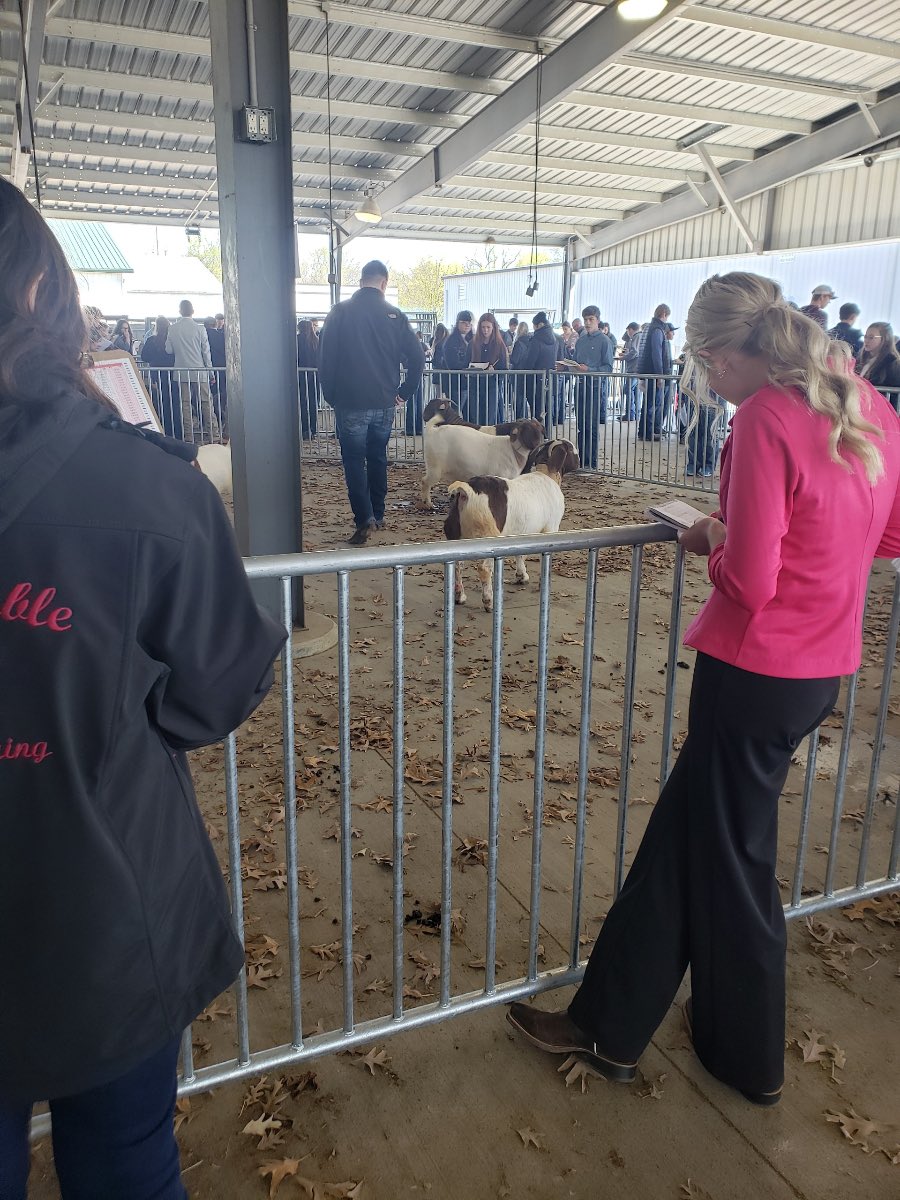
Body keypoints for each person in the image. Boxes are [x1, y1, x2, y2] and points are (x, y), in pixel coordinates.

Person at [506, 269, 900, 1109]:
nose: (708, 384)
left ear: (730, 354)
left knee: (733, 865)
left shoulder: (765, 417)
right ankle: (610, 1026)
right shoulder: (864, 402)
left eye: (706, 366)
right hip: (817, 666)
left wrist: (710, 540)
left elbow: (750, 579)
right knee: (685, 848)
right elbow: (891, 533)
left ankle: (748, 1056)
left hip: (755, 670)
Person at [0, 176, 288, 1200]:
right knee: (123, 1161)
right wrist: (115, 715)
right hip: (102, 909)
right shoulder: (151, 487)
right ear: (40, 295)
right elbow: (216, 689)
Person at [318, 260, 424, 545]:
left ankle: (363, 517)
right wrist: (405, 391)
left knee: (354, 460)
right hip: (384, 402)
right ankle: (378, 512)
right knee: (377, 456)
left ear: (361, 280)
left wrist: (331, 394)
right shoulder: (395, 315)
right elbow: (417, 357)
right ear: (384, 283)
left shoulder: (339, 312)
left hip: (350, 401)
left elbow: (325, 358)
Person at [564, 304, 614, 469]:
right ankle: (582, 461)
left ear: (598, 321)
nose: (587, 322)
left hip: (594, 387)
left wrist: (590, 370)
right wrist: (565, 366)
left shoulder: (605, 341)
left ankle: (591, 463)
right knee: (581, 426)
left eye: (590, 319)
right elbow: (576, 363)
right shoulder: (581, 341)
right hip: (580, 385)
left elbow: (607, 368)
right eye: (585, 319)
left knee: (591, 426)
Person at [165, 299, 218, 443]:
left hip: (181, 372)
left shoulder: (173, 328)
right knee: (206, 402)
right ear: (193, 311)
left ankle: (188, 436)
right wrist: (211, 372)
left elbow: (168, 350)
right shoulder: (200, 328)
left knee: (185, 404)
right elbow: (206, 352)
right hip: (200, 371)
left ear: (180, 311)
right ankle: (214, 434)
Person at [138, 316, 179, 439]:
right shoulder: (173, 339)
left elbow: (144, 357)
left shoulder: (151, 340)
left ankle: (163, 430)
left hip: (157, 375)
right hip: (173, 375)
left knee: (161, 402)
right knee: (175, 403)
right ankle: (176, 431)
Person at [637, 304, 672, 441]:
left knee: (647, 403)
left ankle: (643, 431)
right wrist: (660, 375)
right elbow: (657, 354)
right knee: (652, 404)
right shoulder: (657, 330)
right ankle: (648, 432)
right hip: (653, 373)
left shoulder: (648, 328)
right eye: (667, 316)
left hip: (647, 372)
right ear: (663, 314)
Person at [468, 312, 508, 424]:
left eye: (488, 327)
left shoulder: (500, 345)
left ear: (493, 328)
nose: (485, 330)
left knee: (490, 419)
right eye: (483, 327)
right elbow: (465, 364)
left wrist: (495, 372)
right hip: (475, 386)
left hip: (492, 386)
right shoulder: (472, 344)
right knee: (476, 419)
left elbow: (504, 368)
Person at [523, 310, 558, 424]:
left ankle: (537, 436)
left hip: (535, 380)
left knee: (536, 410)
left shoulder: (536, 339)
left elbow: (530, 361)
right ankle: (547, 434)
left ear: (539, 325)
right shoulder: (555, 339)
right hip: (549, 378)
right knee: (546, 408)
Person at [855, 322, 900, 409]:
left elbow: (894, 396)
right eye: (865, 336)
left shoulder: (893, 363)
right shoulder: (860, 359)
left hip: (881, 410)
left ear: (885, 339)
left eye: (871, 337)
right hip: (861, 408)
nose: (866, 340)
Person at [441, 310, 474, 413]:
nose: (467, 325)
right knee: (454, 413)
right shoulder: (451, 341)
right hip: (455, 384)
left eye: (469, 323)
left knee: (469, 414)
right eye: (464, 322)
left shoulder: (471, 339)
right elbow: (452, 364)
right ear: (458, 323)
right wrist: (470, 367)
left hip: (467, 383)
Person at [204, 316, 228, 438]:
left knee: (208, 399)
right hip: (223, 370)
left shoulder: (203, 335)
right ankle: (222, 422)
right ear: (215, 324)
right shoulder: (222, 336)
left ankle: (213, 424)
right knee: (222, 397)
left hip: (206, 371)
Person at [296, 318, 319, 439]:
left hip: (300, 376)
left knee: (302, 403)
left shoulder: (296, 340)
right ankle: (313, 430)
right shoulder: (316, 340)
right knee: (313, 402)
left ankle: (304, 429)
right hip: (314, 376)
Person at [509, 320, 532, 418]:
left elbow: (514, 360)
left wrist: (509, 356)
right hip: (529, 374)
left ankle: (520, 420)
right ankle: (526, 420)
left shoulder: (519, 343)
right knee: (526, 398)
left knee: (519, 399)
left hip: (518, 374)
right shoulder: (532, 341)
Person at [619, 321, 641, 422]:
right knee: (635, 392)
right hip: (637, 369)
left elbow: (635, 351)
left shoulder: (636, 337)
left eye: (627, 330)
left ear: (630, 329)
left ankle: (630, 414)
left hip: (633, 369)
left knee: (628, 390)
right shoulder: (640, 336)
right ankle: (635, 413)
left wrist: (624, 357)